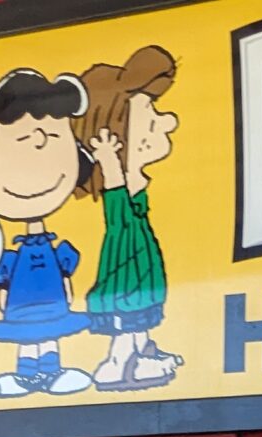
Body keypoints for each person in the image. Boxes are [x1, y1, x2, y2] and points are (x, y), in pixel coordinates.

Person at [0, 69, 92, 396]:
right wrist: (2, 291)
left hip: (52, 299)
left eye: (54, 141)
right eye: (21, 145)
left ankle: (51, 370)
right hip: (20, 301)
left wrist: (68, 285)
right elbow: (4, 277)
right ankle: (27, 373)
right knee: (27, 337)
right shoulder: (10, 254)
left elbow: (65, 270)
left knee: (49, 334)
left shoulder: (52, 248)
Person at [74, 45, 180, 391]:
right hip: (127, 281)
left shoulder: (136, 193)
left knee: (138, 326)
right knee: (128, 327)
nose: (169, 121)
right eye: (152, 118)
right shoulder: (118, 197)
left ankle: (140, 356)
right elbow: (116, 207)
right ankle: (117, 364)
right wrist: (108, 162)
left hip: (139, 277)